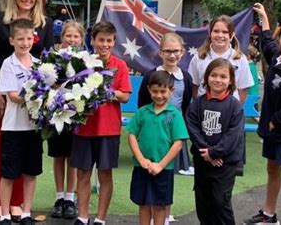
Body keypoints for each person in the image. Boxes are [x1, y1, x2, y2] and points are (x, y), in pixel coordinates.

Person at [0, 0, 54, 223]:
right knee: (4, 149)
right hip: (4, 96)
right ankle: (1, 204)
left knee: (28, 150)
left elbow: (49, 62)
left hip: (33, 102)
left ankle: (20, 205)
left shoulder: (45, 24)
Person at [244, 3, 281, 225]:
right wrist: (264, 18)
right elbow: (267, 40)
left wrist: (274, 123)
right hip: (271, 128)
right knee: (272, 169)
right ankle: (269, 215)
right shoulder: (277, 58)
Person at [70, 22, 132, 225]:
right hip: (84, 128)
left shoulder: (120, 65)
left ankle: (100, 219)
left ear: (114, 41)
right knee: (83, 173)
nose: (105, 44)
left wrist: (104, 92)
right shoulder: (82, 63)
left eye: (109, 40)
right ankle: (82, 216)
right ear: (93, 40)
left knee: (105, 174)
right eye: (101, 40)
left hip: (108, 129)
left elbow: (124, 96)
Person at [137, 33, 193, 223]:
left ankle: (165, 216)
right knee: (149, 177)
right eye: (168, 51)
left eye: (176, 51)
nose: (172, 55)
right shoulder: (150, 76)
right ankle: (152, 215)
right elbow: (142, 106)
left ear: (182, 52)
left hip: (173, 136)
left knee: (167, 177)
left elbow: (185, 106)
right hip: (153, 136)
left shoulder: (185, 77)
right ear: (160, 52)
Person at [186, 58, 244, 224]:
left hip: (224, 164)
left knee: (220, 201)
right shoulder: (198, 103)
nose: (218, 80)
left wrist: (215, 152)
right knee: (203, 202)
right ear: (206, 77)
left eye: (223, 77)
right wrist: (206, 151)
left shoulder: (234, 106)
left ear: (231, 80)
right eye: (214, 75)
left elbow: (233, 135)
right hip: (203, 161)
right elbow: (193, 127)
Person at [0, 19, 43, 225]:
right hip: (13, 127)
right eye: (20, 39)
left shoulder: (40, 64)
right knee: (8, 173)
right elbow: (14, 96)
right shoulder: (8, 64)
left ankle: (26, 212)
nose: (25, 43)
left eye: (28, 38)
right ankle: (5, 214)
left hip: (33, 127)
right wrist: (37, 96)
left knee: (31, 172)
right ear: (11, 40)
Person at [127, 71, 189, 225]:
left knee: (160, 205)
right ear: (149, 90)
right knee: (143, 203)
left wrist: (161, 165)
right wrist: (141, 159)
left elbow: (178, 143)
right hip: (142, 167)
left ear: (171, 90)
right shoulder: (142, 112)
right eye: (155, 91)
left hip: (163, 169)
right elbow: (132, 135)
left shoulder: (174, 114)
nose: (159, 95)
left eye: (163, 91)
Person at [48, 21, 85, 219]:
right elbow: (45, 84)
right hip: (56, 115)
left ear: (81, 39)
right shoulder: (52, 59)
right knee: (58, 156)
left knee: (72, 157)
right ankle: (59, 196)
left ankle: (71, 198)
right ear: (61, 38)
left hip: (76, 115)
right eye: (68, 36)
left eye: (75, 36)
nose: (71, 40)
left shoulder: (85, 61)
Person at [188, 15, 254, 103]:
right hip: (203, 109)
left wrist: (235, 109)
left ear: (232, 35)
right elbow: (194, 86)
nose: (220, 35)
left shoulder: (240, 59)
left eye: (225, 32)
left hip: (229, 111)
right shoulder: (199, 57)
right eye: (216, 31)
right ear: (210, 33)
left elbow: (243, 89)